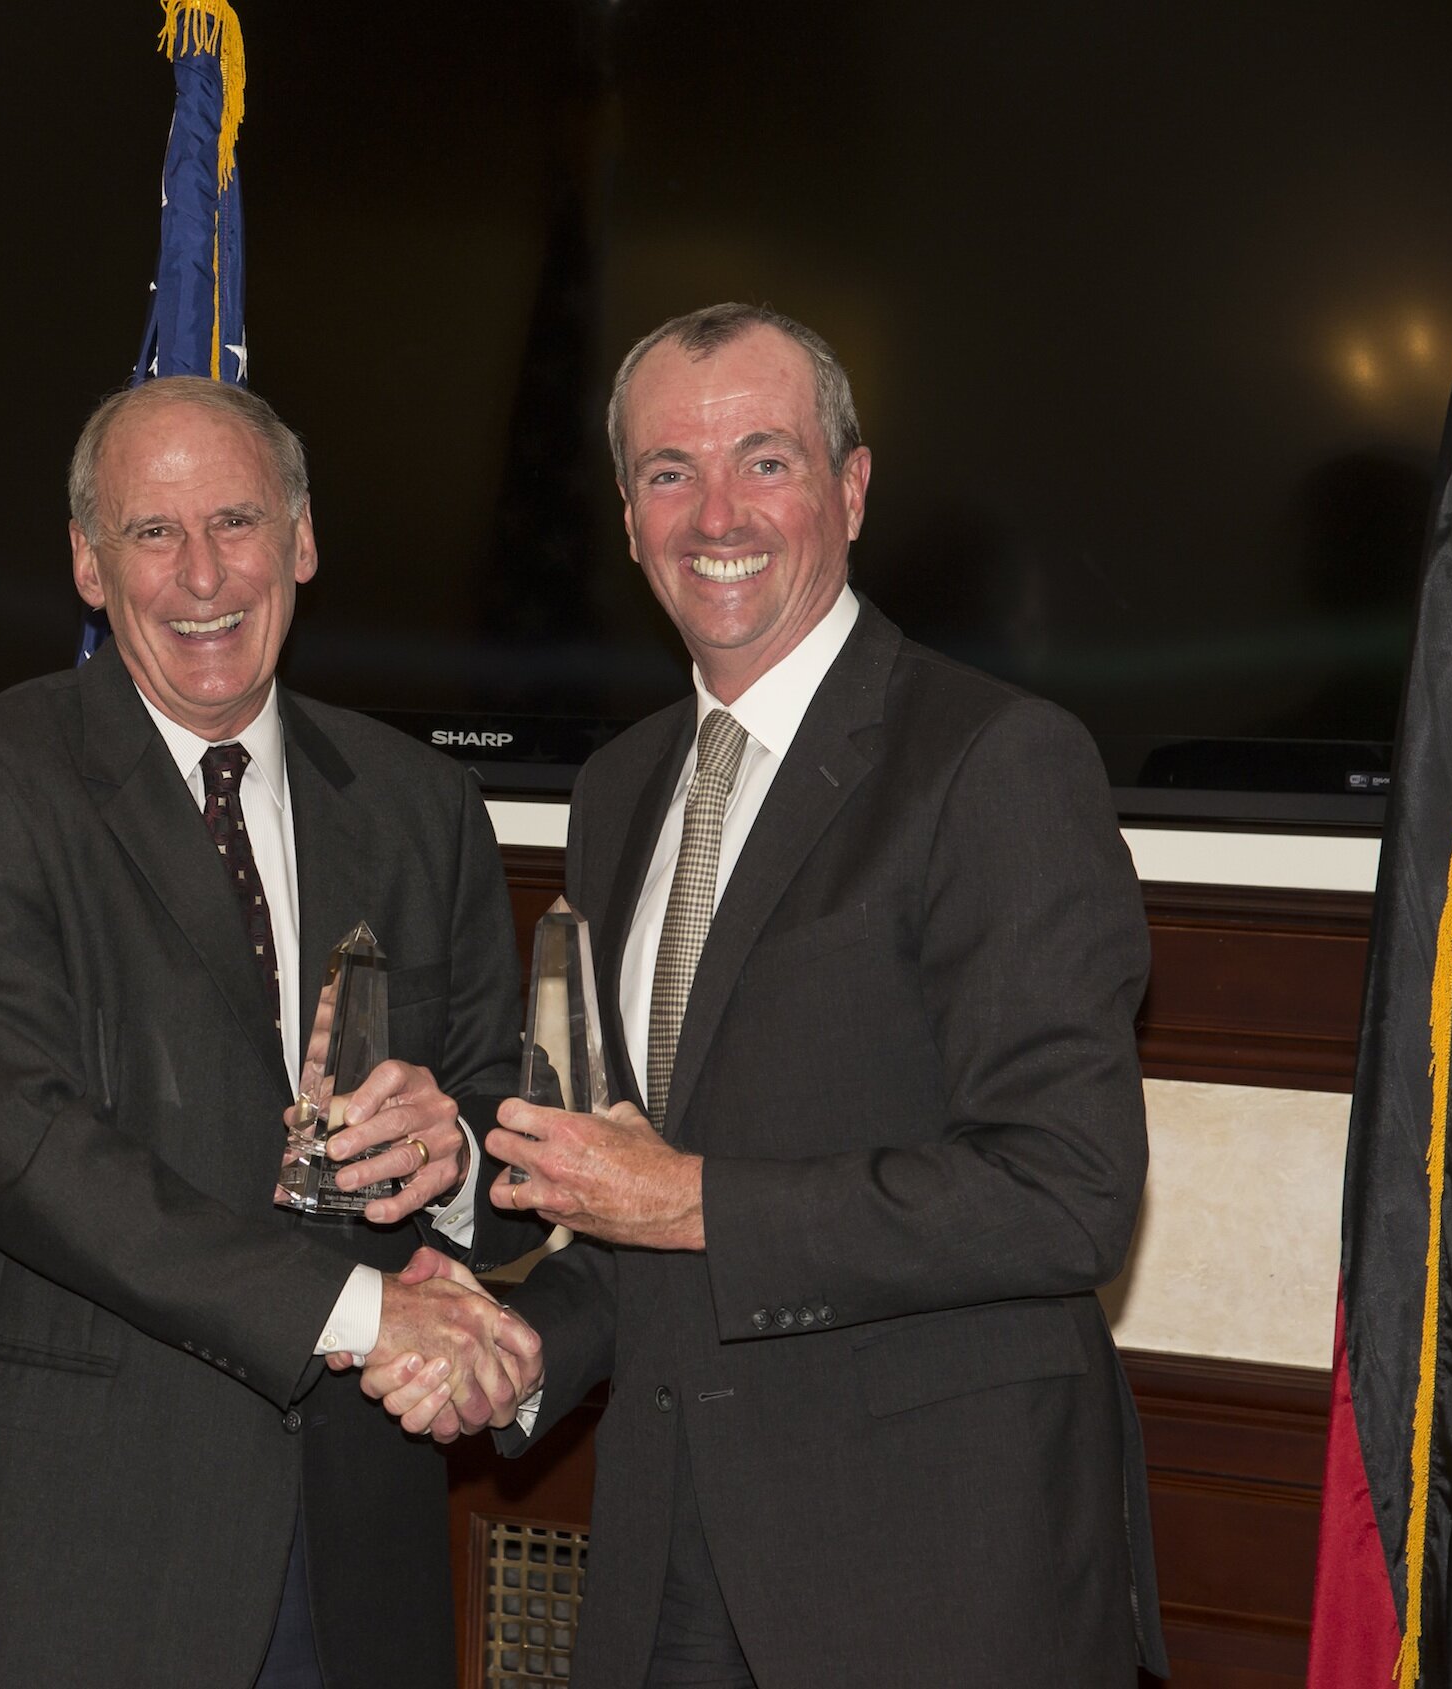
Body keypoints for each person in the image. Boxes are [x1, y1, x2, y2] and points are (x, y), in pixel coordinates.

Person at [369, 305, 1167, 1686]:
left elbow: (1071, 1187)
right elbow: (630, 1217)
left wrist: (689, 1196)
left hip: (939, 1584)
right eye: (670, 471)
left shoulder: (996, 764)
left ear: (851, 489)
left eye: (766, 459)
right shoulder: (619, 794)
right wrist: (518, 1346)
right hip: (671, 1568)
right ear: (625, 518)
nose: (715, 511)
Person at [0, 376, 544, 1689]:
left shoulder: (424, 805)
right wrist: (357, 1313)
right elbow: (20, 1150)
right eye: (151, 533)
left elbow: (504, 1156)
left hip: (352, 1564)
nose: (201, 577)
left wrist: (453, 1159)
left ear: (301, 539)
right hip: (76, 1554)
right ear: (85, 561)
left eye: (235, 522)